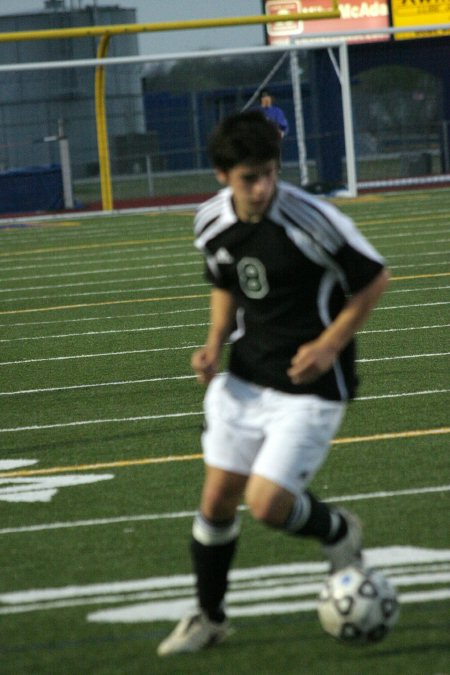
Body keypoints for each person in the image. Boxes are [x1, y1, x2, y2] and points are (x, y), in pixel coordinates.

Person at [157, 110, 389, 656]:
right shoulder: (211, 222)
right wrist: (214, 341)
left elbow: (373, 278)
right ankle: (210, 618)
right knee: (216, 501)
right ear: (222, 175)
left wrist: (330, 343)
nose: (261, 188)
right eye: (248, 178)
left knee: (265, 504)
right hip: (244, 379)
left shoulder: (311, 220)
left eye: (268, 173)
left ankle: (337, 532)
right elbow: (223, 279)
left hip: (311, 389)